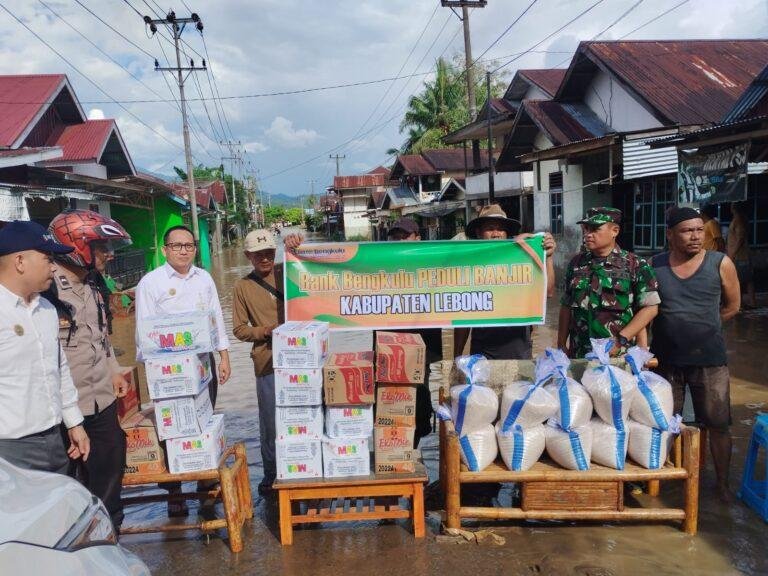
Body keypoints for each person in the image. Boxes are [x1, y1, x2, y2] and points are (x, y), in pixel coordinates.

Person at [135, 224, 231, 515]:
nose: (183, 251)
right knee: (170, 426)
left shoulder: (204, 279)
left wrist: (224, 356)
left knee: (202, 420)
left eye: (189, 245)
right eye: (177, 246)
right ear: (165, 250)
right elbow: (143, 331)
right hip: (167, 369)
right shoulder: (150, 283)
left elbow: (216, 319)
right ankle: (174, 491)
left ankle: (204, 485)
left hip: (202, 365)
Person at [45, 210, 132, 529]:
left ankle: (111, 541)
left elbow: (101, 335)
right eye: (101, 247)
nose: (108, 254)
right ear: (77, 245)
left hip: (102, 403)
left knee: (110, 482)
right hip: (62, 414)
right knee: (66, 495)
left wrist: (114, 369)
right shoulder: (46, 289)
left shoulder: (95, 284)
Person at [650, 207, 740, 501]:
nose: (696, 236)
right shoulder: (656, 265)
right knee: (664, 423)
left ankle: (722, 485)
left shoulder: (720, 263)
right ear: (670, 235)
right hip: (665, 360)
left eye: (699, 230)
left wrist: (705, 328)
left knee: (717, 423)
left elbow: (732, 307)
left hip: (709, 360)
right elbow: (647, 310)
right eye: (687, 231)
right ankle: (661, 480)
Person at [0, 220, 90, 474]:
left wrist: (74, 422)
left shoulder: (47, 310)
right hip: (10, 450)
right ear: (20, 262)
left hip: (53, 439)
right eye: (48, 259)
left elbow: (58, 369)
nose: (53, 267)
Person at [231, 229, 301, 495]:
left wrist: (296, 244)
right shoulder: (242, 287)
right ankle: (271, 473)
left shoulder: (291, 270)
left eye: (269, 252)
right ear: (248, 256)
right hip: (267, 360)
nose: (264, 258)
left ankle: (305, 466)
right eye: (258, 254)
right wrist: (266, 330)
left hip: (300, 358)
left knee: (306, 414)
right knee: (271, 421)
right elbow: (239, 329)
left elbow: (316, 272)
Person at [453, 204, 556, 360]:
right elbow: (463, 317)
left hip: (519, 350)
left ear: (506, 233)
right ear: (479, 233)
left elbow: (548, 292)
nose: (496, 234)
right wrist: (457, 355)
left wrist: (547, 257)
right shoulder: (470, 265)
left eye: (500, 229)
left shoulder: (523, 258)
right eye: (490, 228)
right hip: (482, 353)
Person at [558, 207, 660, 358]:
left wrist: (620, 341)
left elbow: (649, 309)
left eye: (595, 229)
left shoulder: (635, 264)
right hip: (580, 354)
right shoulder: (576, 263)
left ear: (615, 231)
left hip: (619, 356)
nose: (587, 234)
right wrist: (561, 344)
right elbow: (566, 305)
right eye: (586, 229)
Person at [383, 218, 442, 447]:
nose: (399, 241)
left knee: (419, 408)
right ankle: (397, 459)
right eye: (394, 237)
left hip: (421, 350)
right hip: (388, 350)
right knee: (390, 411)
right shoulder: (374, 264)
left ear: (418, 238)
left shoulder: (433, 262)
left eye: (404, 236)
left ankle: (413, 456)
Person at [727, 202, 756, 308]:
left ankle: (746, 302)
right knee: (744, 279)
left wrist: (732, 253)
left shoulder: (739, 220)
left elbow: (740, 238)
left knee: (743, 279)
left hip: (740, 255)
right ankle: (743, 302)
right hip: (739, 255)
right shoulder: (739, 219)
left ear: (733, 208)